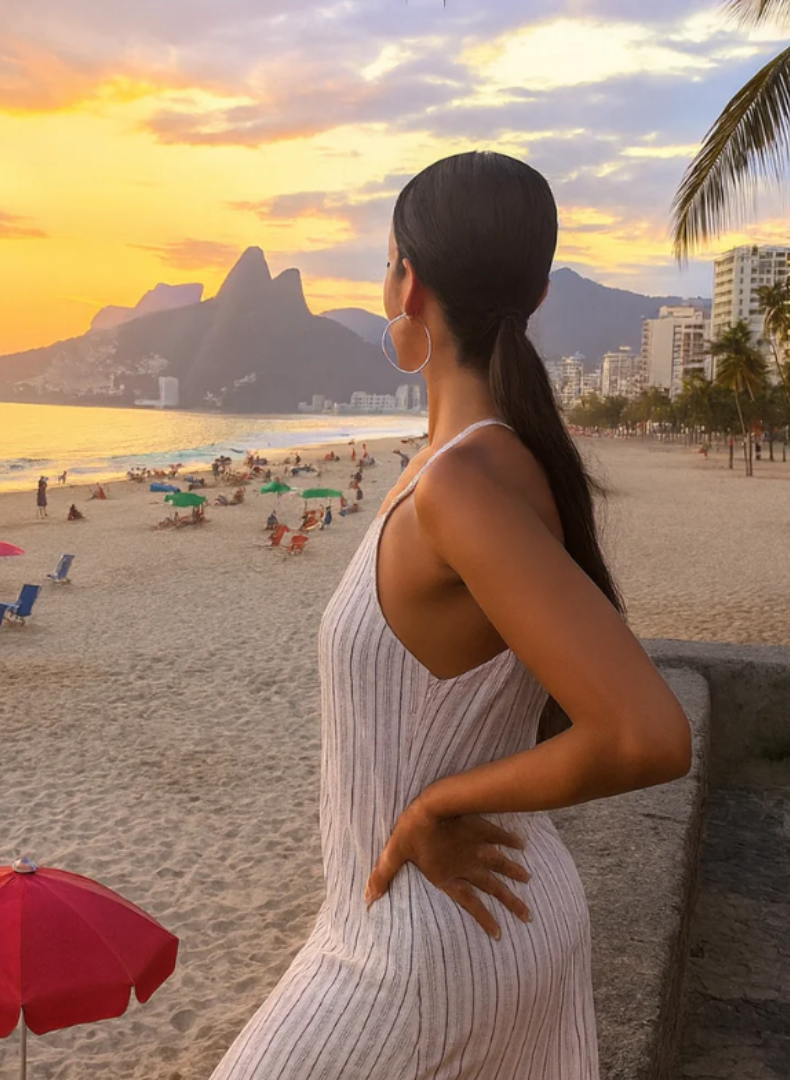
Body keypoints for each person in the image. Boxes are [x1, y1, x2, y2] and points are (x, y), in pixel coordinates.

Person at [205, 152, 691, 1080]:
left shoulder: (462, 484)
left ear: (406, 282)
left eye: (387, 264)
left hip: (425, 942)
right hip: (486, 908)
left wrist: (437, 801)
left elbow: (649, 735)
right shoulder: (497, 463)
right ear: (539, 294)